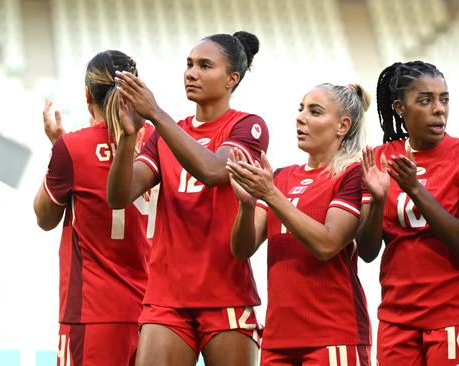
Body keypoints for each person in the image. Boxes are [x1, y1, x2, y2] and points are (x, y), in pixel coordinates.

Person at [107, 31, 268, 365]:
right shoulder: (166, 133)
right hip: (167, 294)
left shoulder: (247, 126)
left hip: (226, 292)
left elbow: (213, 171)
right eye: (189, 64)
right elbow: (118, 196)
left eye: (205, 66)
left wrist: (155, 114)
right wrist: (127, 137)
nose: (191, 73)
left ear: (231, 79)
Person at [227, 83, 372, 365]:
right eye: (301, 109)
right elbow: (242, 249)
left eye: (314, 112)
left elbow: (327, 244)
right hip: (278, 337)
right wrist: (246, 205)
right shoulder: (280, 177)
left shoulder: (352, 175)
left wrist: (270, 194)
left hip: (332, 334)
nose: (301, 117)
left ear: (343, 125)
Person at [33, 50, 156, 366]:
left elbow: (44, 217)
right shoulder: (161, 141)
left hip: (93, 311)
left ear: (88, 94)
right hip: (158, 314)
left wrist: (56, 151)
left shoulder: (74, 146)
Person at [357, 61, 458, 365]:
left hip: (450, 315)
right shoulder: (380, 158)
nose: (439, 109)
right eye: (425, 100)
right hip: (396, 318)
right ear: (400, 107)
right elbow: (367, 250)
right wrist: (376, 201)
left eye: (444, 99)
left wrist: (415, 189)